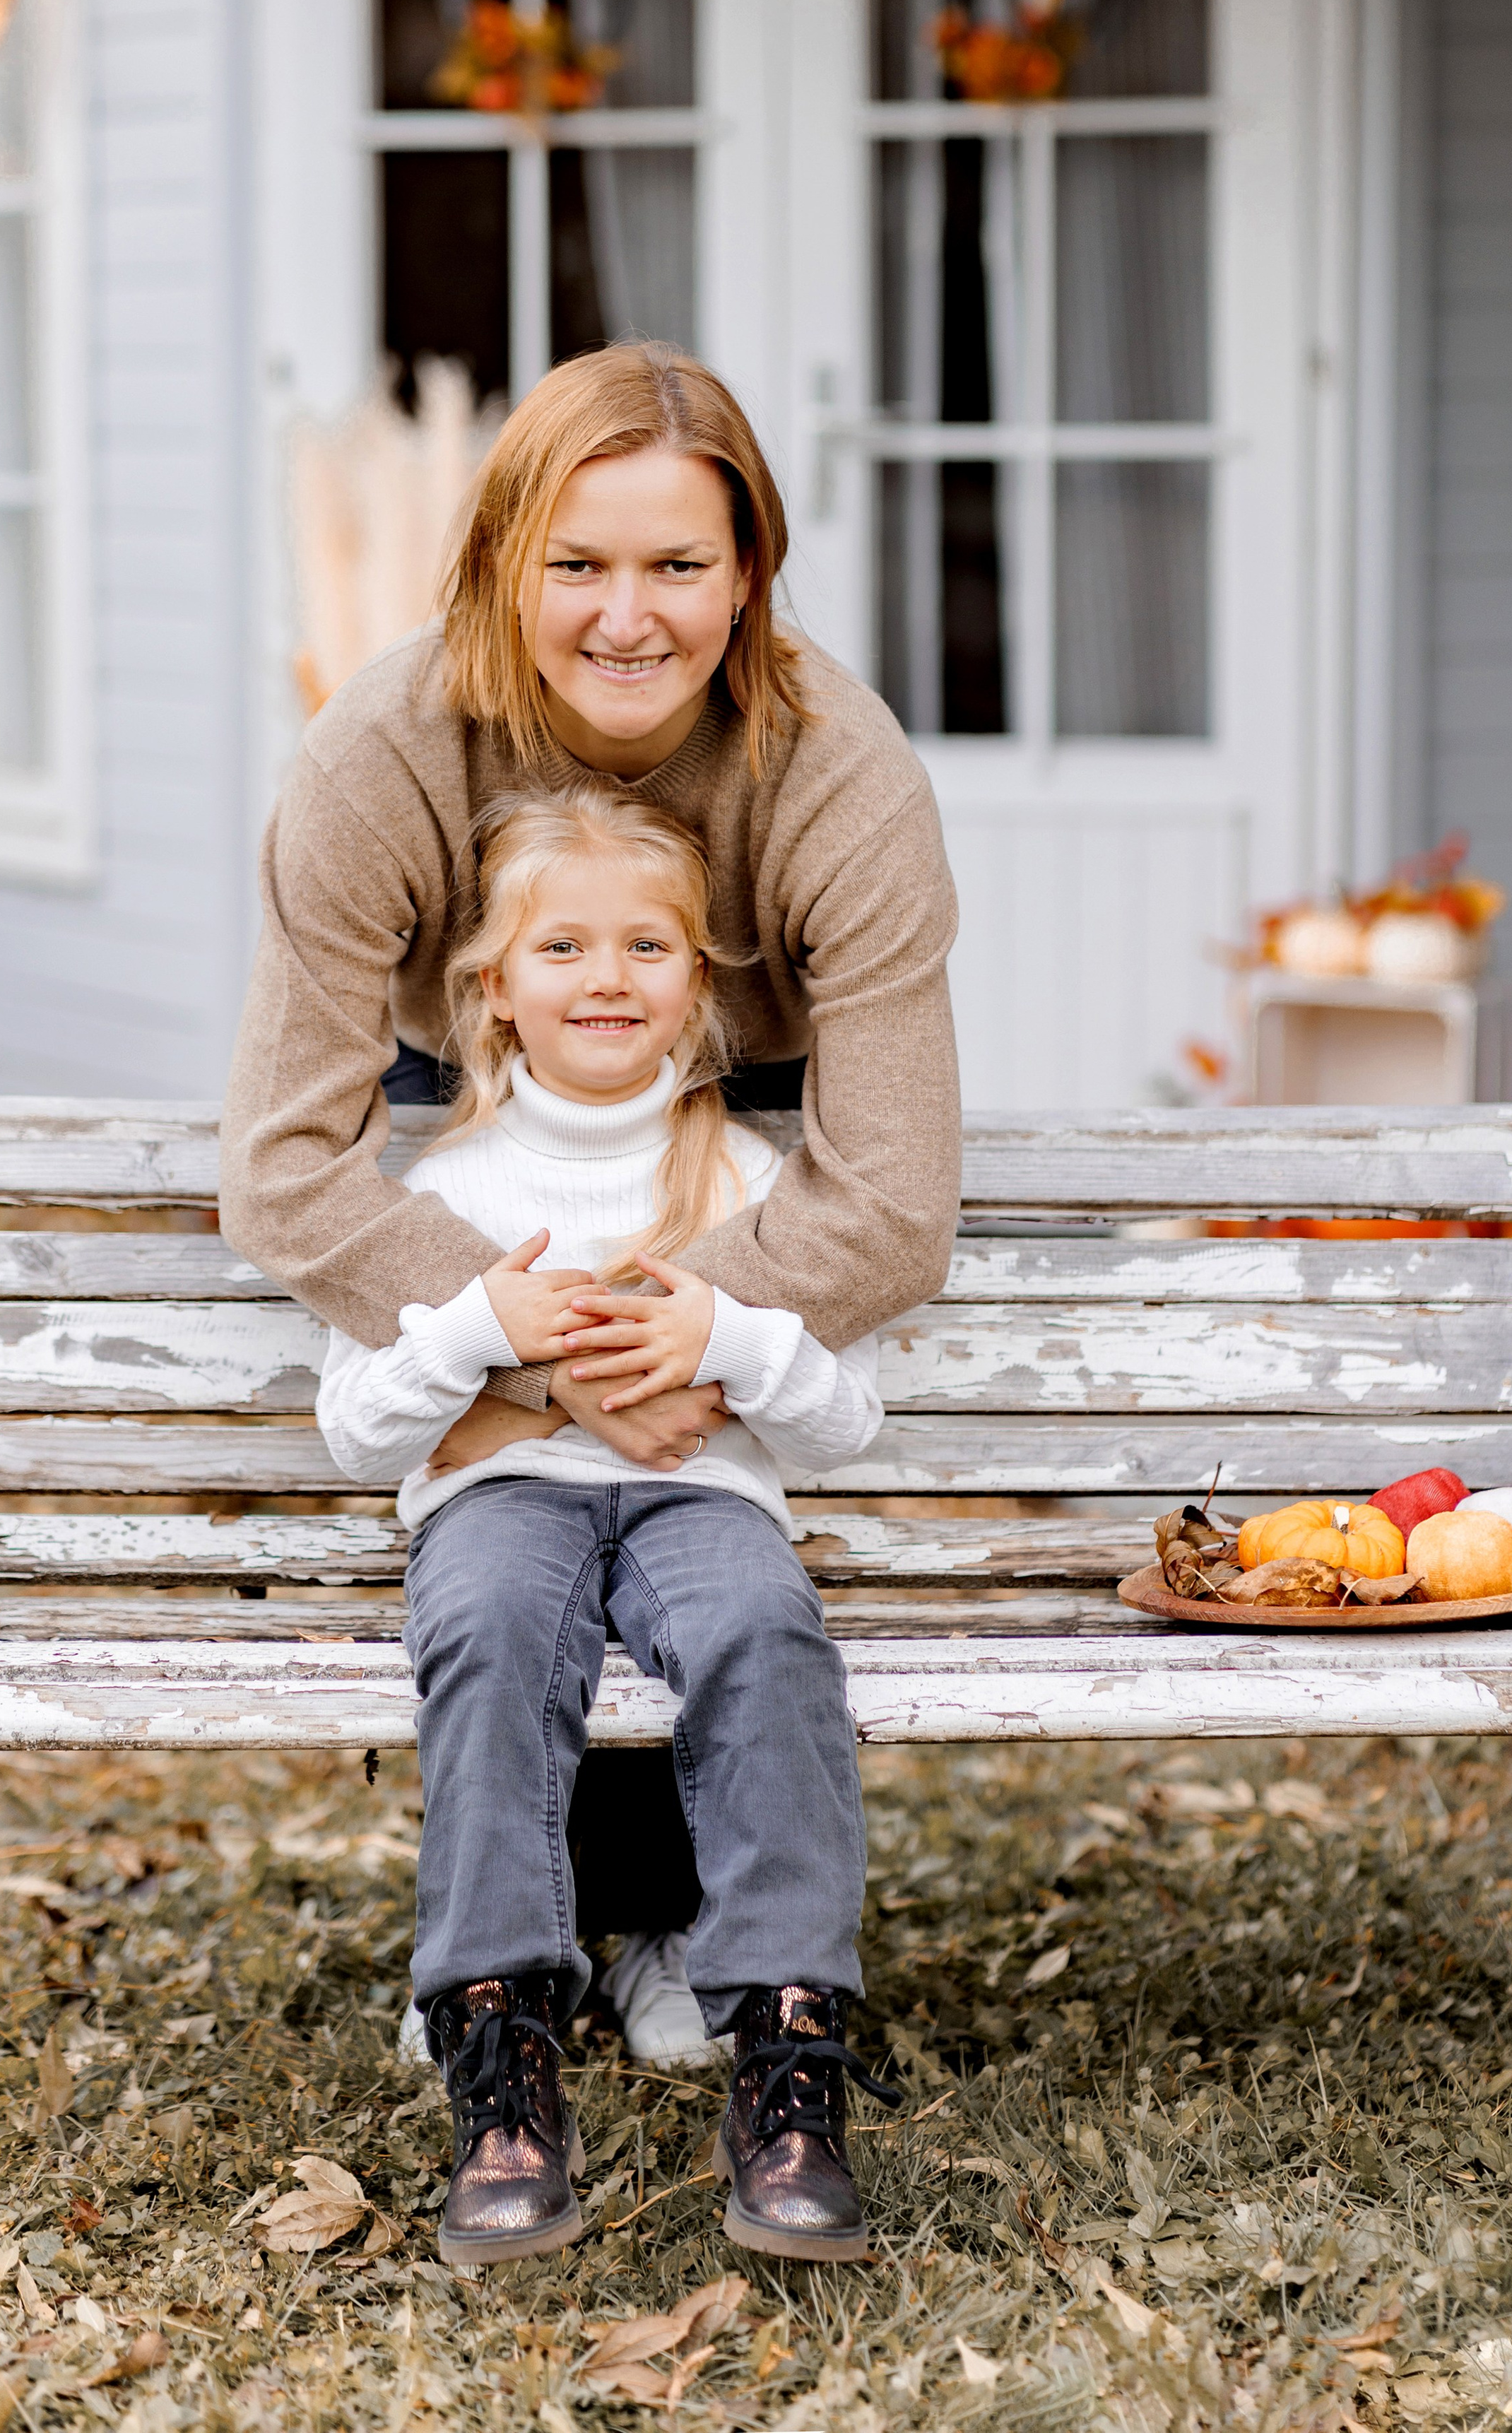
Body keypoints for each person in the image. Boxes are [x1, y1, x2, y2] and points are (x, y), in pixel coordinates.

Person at [219, 340, 962, 2058]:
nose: (628, 619)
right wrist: (544, 1352)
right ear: (500, 565)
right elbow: (285, 1161)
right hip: (485, 1098)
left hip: (745, 1110)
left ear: (748, 573)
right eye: (577, 564)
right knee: (524, 1544)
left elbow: (887, 1195)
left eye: (678, 564)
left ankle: (683, 1923)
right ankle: (534, 1936)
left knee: (697, 1538)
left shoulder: (840, 777)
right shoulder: (379, 757)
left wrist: (651, 1338)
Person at [316, 787, 900, 2265]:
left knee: (763, 1631)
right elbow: (359, 1432)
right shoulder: (439, 1190)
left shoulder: (753, 1183)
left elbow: (844, 1422)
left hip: (704, 1498)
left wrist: (731, 1336)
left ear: (697, 983)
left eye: (647, 945)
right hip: (498, 1507)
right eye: (561, 946)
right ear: (493, 989)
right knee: (490, 1630)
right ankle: (500, 2046)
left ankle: (786, 2052)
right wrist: (475, 1328)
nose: (606, 977)